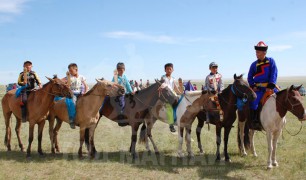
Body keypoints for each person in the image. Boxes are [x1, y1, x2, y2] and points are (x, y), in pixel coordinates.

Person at [248, 41, 278, 130]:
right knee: (253, 102)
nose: (256, 54)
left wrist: (271, 85)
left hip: (270, 87)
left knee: (282, 99)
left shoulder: (271, 61)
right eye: (256, 52)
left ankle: (281, 120)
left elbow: (274, 73)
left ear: (264, 52)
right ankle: (254, 121)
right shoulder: (254, 64)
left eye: (258, 52)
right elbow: (249, 76)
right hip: (259, 89)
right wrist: (253, 86)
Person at [62, 63, 89, 129]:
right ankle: (71, 120)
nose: (70, 72)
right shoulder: (69, 77)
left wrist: (85, 92)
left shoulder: (81, 77)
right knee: (72, 103)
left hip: (80, 93)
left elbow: (85, 85)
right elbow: (67, 85)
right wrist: (68, 78)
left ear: (76, 69)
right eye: (69, 70)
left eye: (71, 70)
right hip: (72, 94)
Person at [161, 63, 182, 133]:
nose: (169, 70)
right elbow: (162, 85)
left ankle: (178, 119)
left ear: (172, 70)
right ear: (165, 70)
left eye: (170, 69)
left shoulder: (173, 78)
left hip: (173, 94)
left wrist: (180, 92)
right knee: (169, 107)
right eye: (167, 69)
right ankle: (171, 124)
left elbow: (175, 87)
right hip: (166, 95)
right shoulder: (163, 77)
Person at [112, 62, 133, 126]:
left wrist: (131, 91)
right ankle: (121, 120)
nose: (120, 71)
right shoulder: (115, 77)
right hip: (119, 94)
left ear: (124, 70)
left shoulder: (125, 77)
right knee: (122, 104)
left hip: (126, 93)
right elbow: (113, 85)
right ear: (117, 70)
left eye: (122, 70)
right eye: (119, 70)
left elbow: (128, 85)